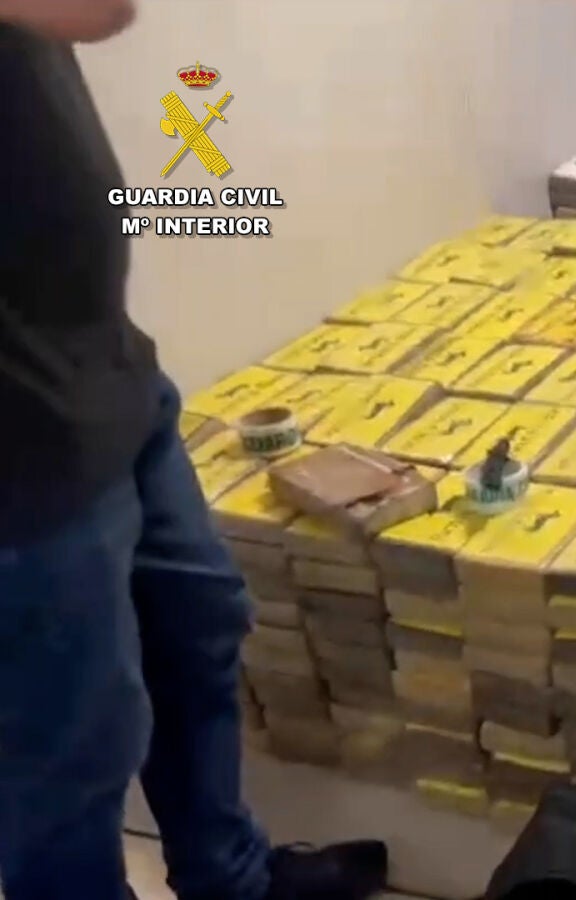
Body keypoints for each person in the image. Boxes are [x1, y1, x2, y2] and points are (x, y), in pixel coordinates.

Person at [0, 4, 387, 899]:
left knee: (198, 627)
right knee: (70, 752)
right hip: (19, 456)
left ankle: (230, 881)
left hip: (104, 369)